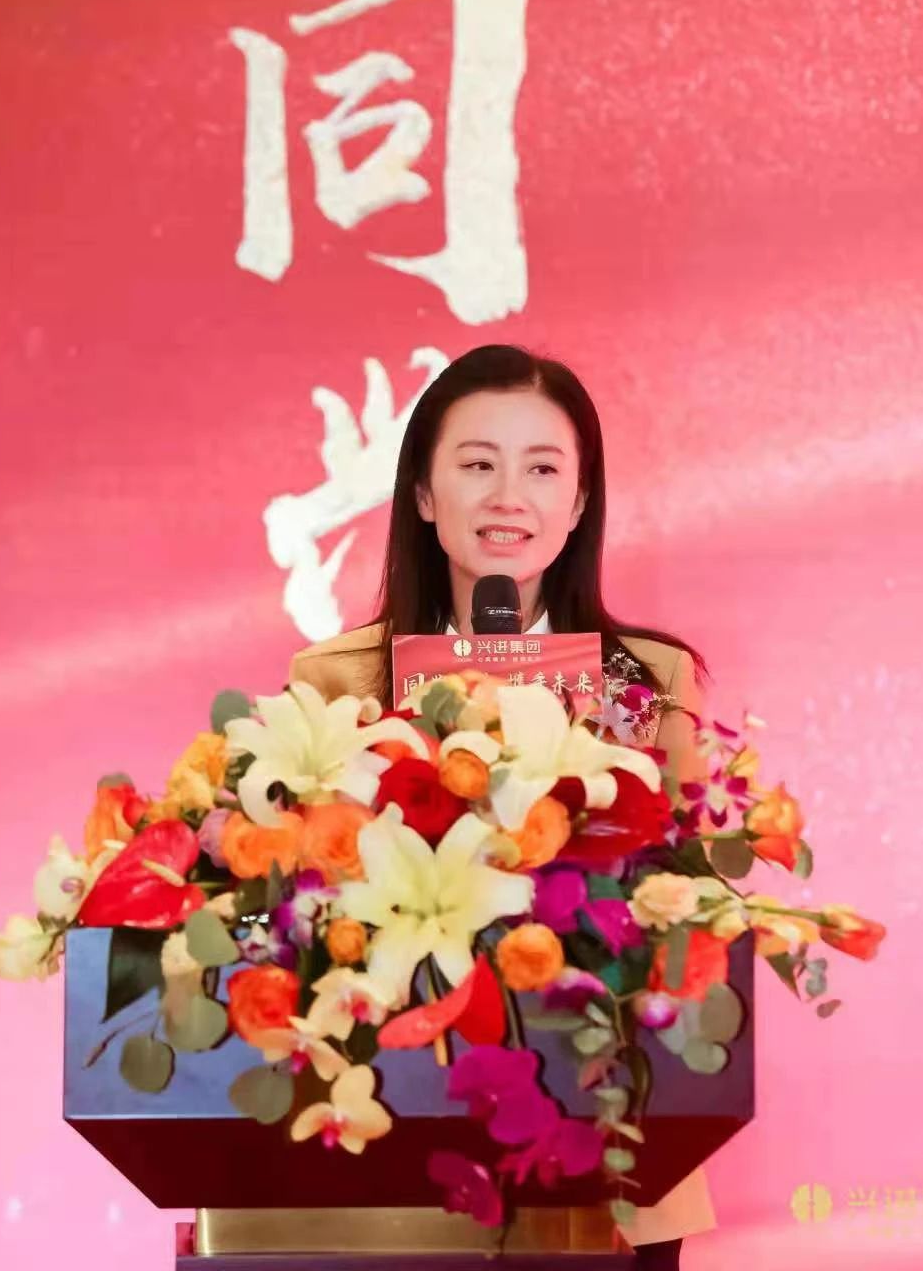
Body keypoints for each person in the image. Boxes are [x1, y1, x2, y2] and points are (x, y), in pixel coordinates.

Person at [289, 344, 717, 1264]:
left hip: (611, 1121)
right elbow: (306, 901)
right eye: (478, 465)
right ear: (423, 493)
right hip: (402, 1109)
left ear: (581, 501)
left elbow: (698, 893)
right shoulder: (335, 682)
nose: (508, 496)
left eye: (543, 469)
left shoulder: (644, 679)